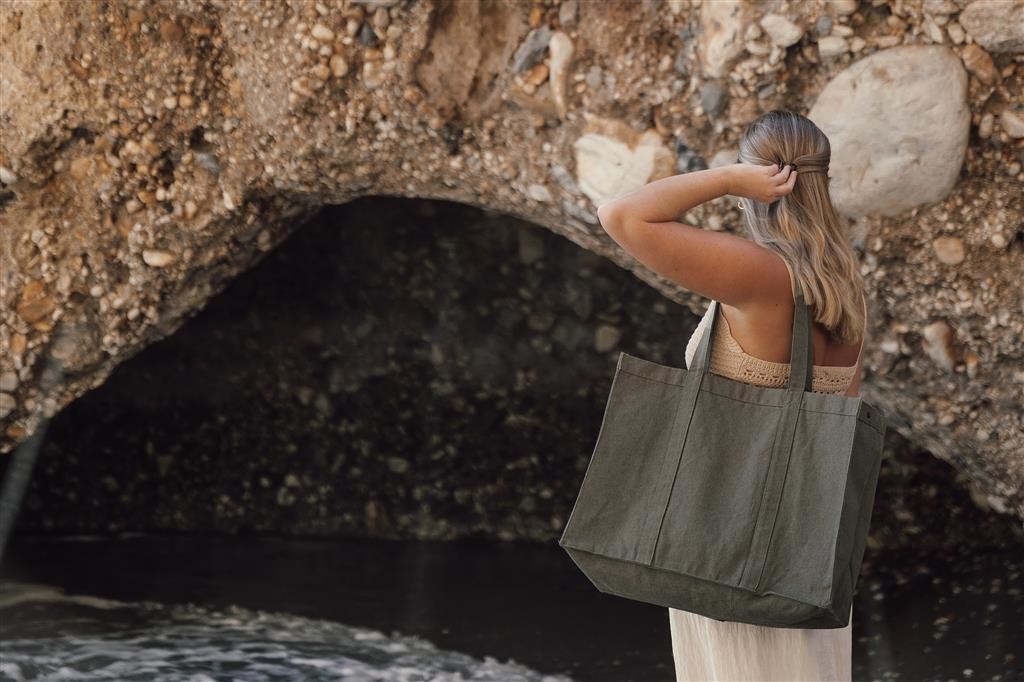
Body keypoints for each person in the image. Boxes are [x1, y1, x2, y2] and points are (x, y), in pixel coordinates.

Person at [595, 109, 868, 681]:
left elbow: (620, 215)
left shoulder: (762, 275)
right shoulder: (845, 290)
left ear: (757, 181)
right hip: (802, 561)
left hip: (727, 550)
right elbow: (834, 427)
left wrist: (723, 178)